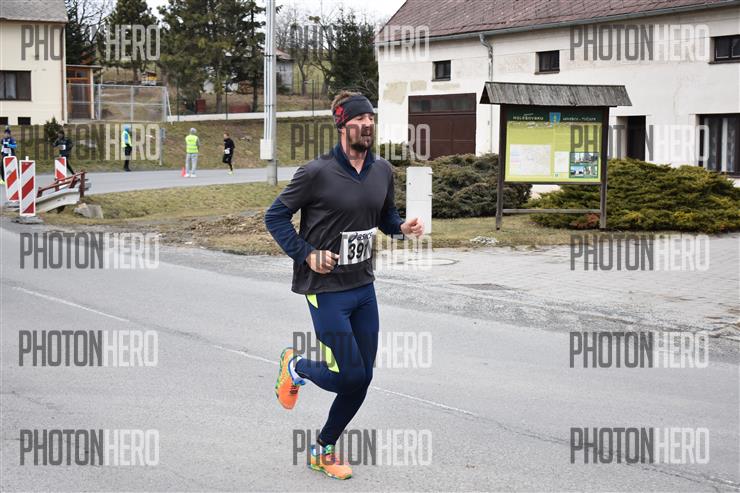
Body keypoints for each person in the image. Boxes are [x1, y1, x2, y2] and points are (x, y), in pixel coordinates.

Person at [265, 91, 424, 480]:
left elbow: (385, 217)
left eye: (371, 118)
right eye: (359, 119)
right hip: (325, 288)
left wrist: (401, 228)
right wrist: (307, 254)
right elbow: (275, 217)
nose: (368, 124)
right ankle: (296, 365)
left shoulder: (382, 170)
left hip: (363, 286)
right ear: (342, 125)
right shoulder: (315, 172)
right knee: (351, 375)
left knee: (362, 377)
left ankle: (322, 449)